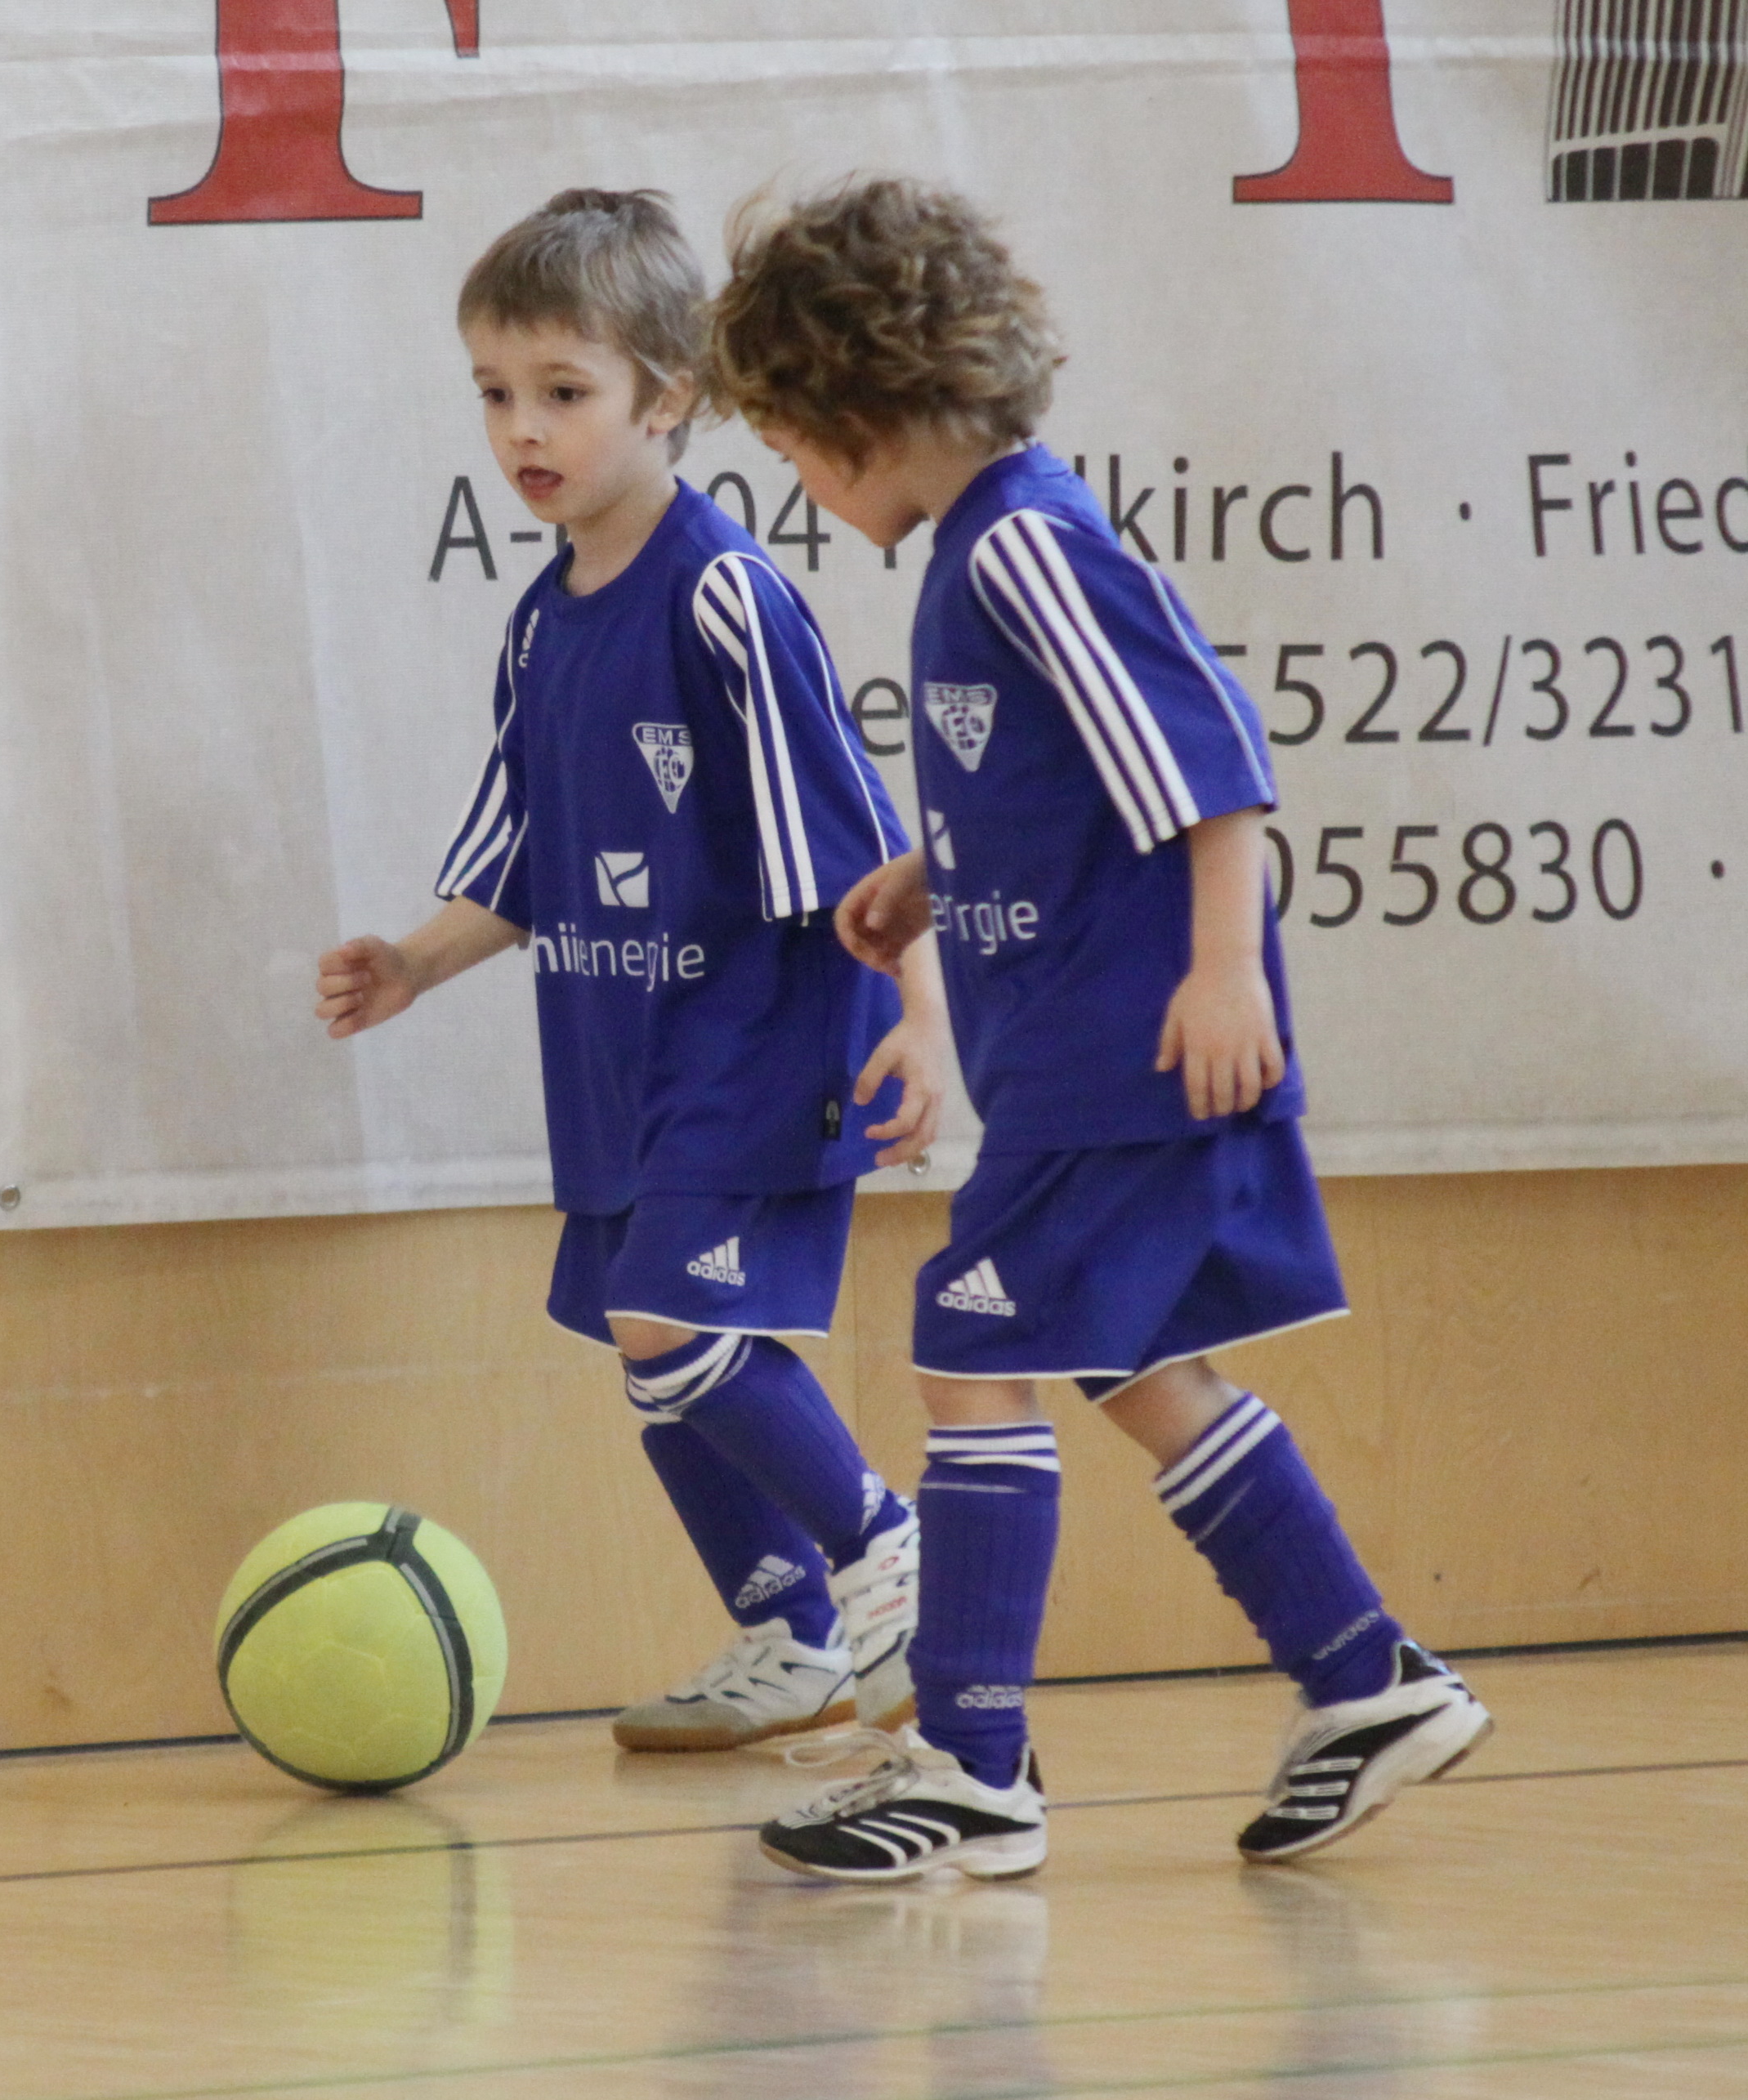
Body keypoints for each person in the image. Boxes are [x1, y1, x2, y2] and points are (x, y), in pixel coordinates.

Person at [709, 177, 1492, 1881]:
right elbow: (1065, 781)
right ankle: (1364, 1679)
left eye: (792, 451)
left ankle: (972, 1766)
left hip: (1125, 1062)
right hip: (1084, 1068)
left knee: (963, 1343)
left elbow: (1207, 755)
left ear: (857, 411)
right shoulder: (986, 549)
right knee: (1135, 1367)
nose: (801, 489)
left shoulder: (1023, 543)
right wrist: (929, 875)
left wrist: (1223, 973)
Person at [316, 189, 939, 1755]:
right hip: (618, 1054)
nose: (520, 428)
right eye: (494, 392)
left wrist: (924, 1027)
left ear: (668, 397)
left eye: (562, 390)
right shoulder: (542, 625)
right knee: (642, 1338)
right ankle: (790, 1638)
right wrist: (412, 961)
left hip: (759, 1035)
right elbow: (526, 852)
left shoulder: (723, 593)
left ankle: (887, 1553)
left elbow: (864, 842)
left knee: (669, 1314)